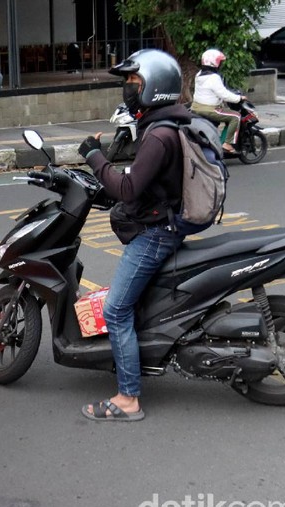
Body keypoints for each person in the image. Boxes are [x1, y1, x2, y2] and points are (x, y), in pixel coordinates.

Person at [77, 49, 191, 422]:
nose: (128, 88)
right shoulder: (167, 124)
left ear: (155, 87)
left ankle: (128, 398)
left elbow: (126, 190)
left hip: (156, 233)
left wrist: (95, 156)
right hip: (165, 222)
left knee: (116, 309)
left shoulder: (158, 135)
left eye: (134, 82)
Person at [191, 49, 245, 153]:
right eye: (219, 62)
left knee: (225, 113)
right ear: (214, 63)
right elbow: (224, 95)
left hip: (196, 108)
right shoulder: (214, 77)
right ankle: (227, 143)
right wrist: (239, 98)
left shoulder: (199, 75)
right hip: (209, 109)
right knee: (236, 116)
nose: (220, 64)